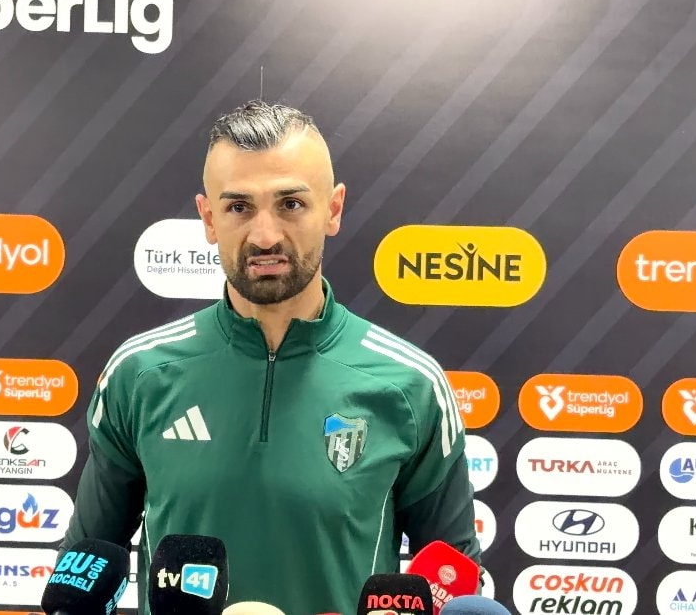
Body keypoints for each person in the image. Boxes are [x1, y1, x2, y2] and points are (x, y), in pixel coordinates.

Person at [58, 100, 481, 615]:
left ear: (333, 209)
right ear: (208, 218)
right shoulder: (138, 374)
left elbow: (456, 586)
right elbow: (82, 572)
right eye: (239, 207)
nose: (265, 236)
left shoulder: (411, 385)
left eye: (291, 204)